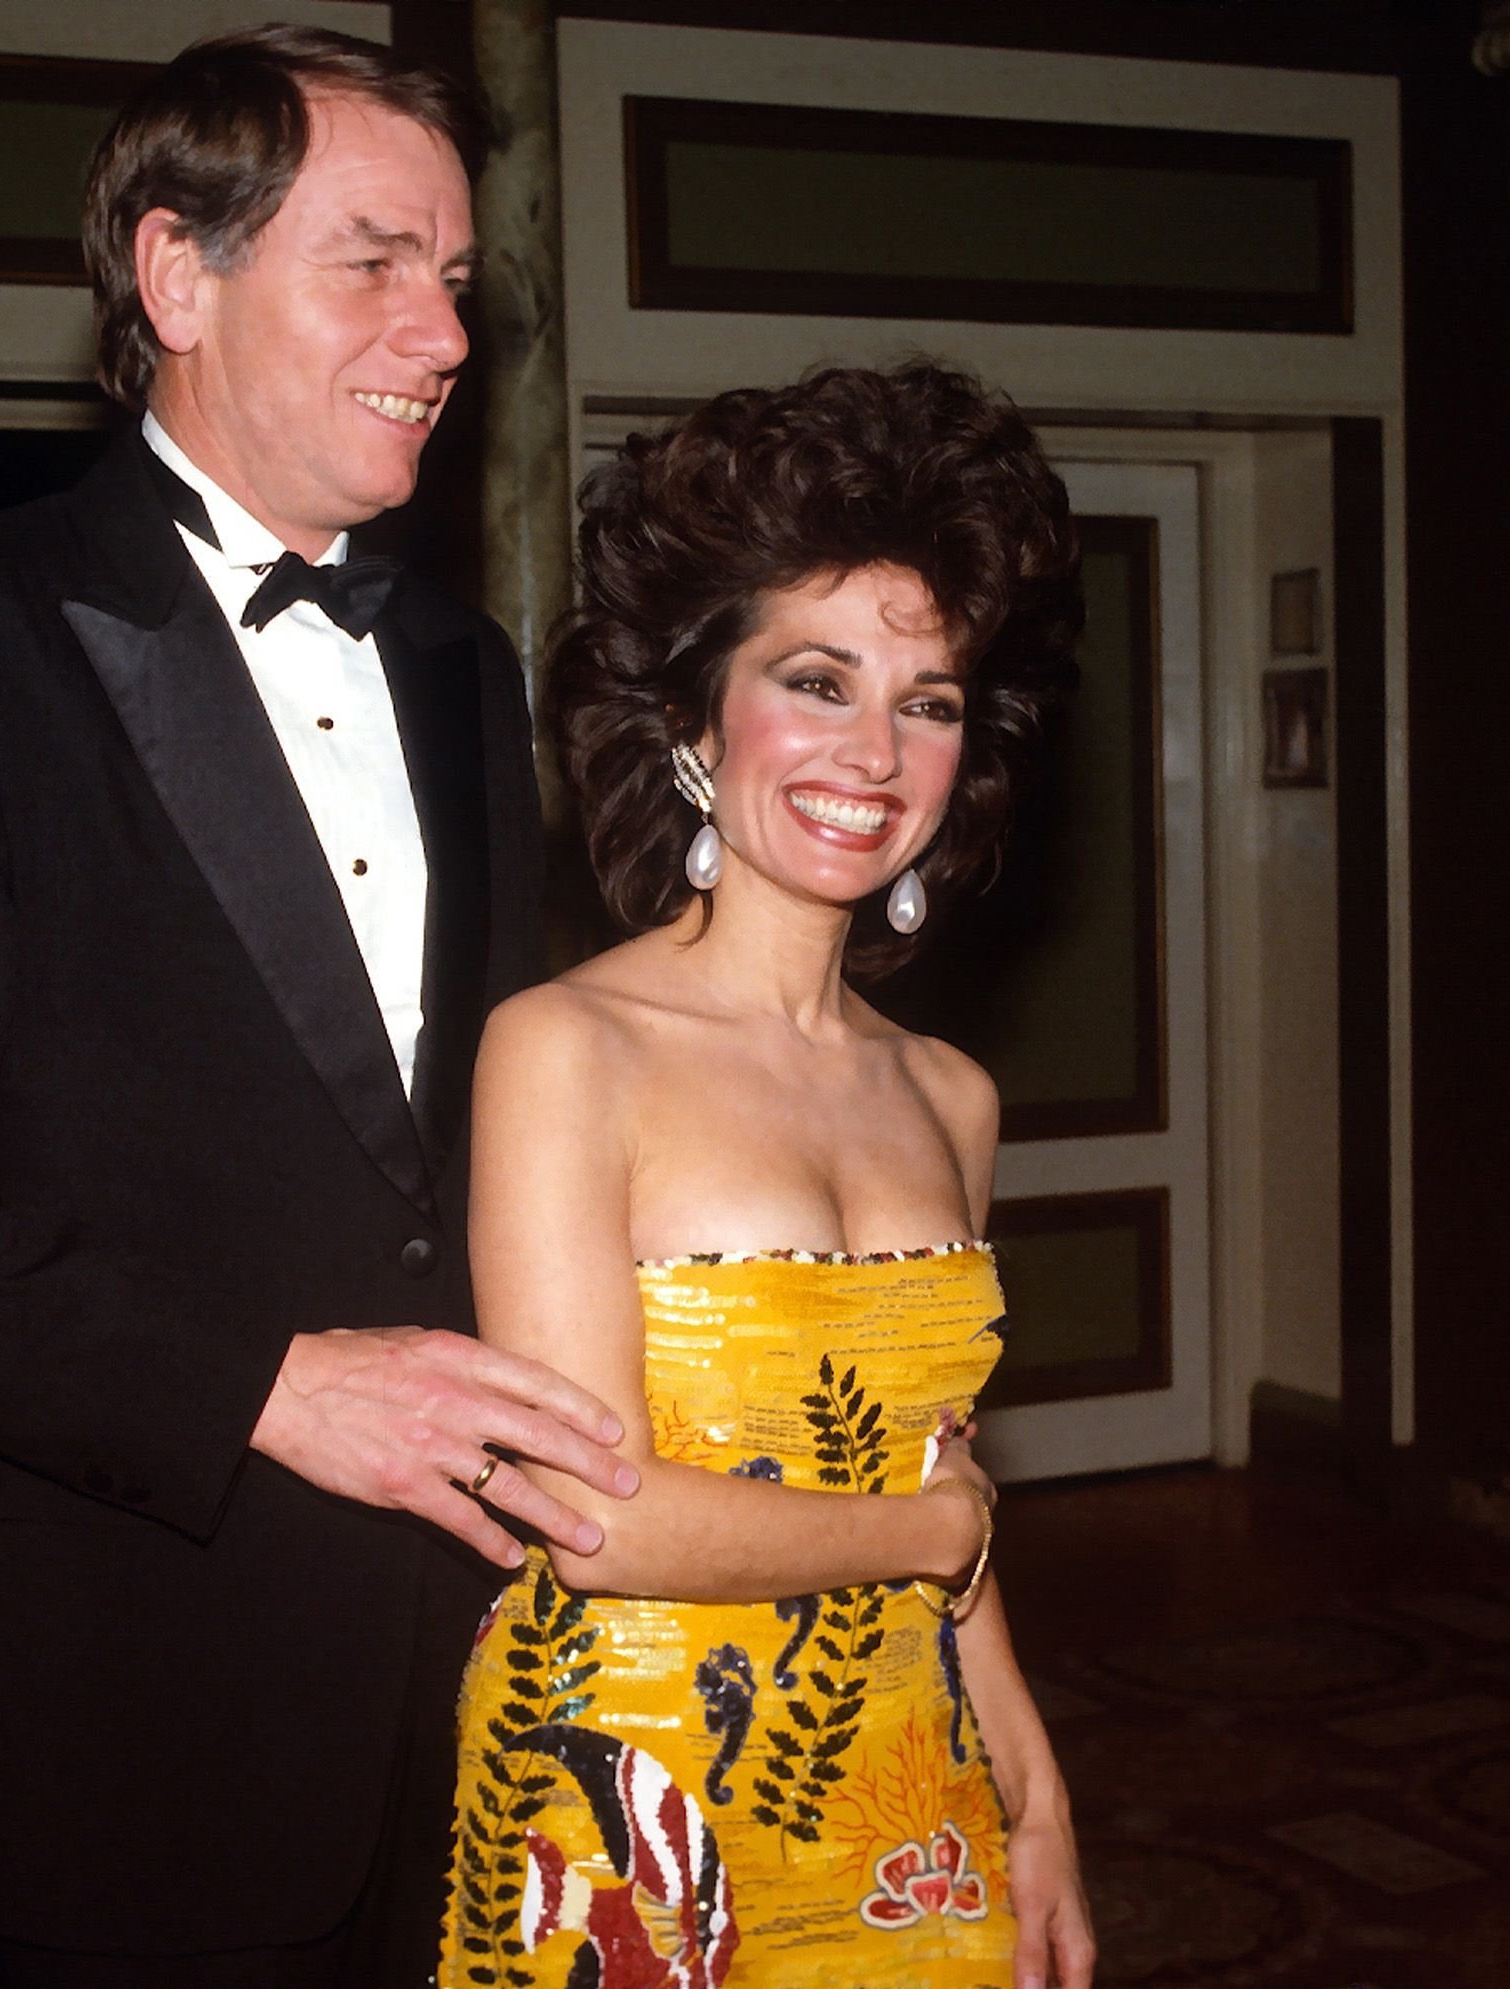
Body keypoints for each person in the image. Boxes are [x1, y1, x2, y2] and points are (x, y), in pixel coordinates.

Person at [0, 27, 634, 1988]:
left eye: (458, 278)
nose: (443, 331)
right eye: (376, 260)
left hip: (451, 1684)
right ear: (176, 273)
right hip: (116, 1711)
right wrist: (270, 1385)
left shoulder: (463, 664)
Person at [440, 363, 1096, 1989]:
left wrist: (1035, 1789)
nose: (873, 749)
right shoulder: (563, 1049)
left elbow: (958, 1497)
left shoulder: (951, 1094)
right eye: (817, 679)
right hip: (631, 1807)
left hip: (905, 1783)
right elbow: (590, 1521)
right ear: (692, 715)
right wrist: (924, 1534)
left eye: (928, 699)